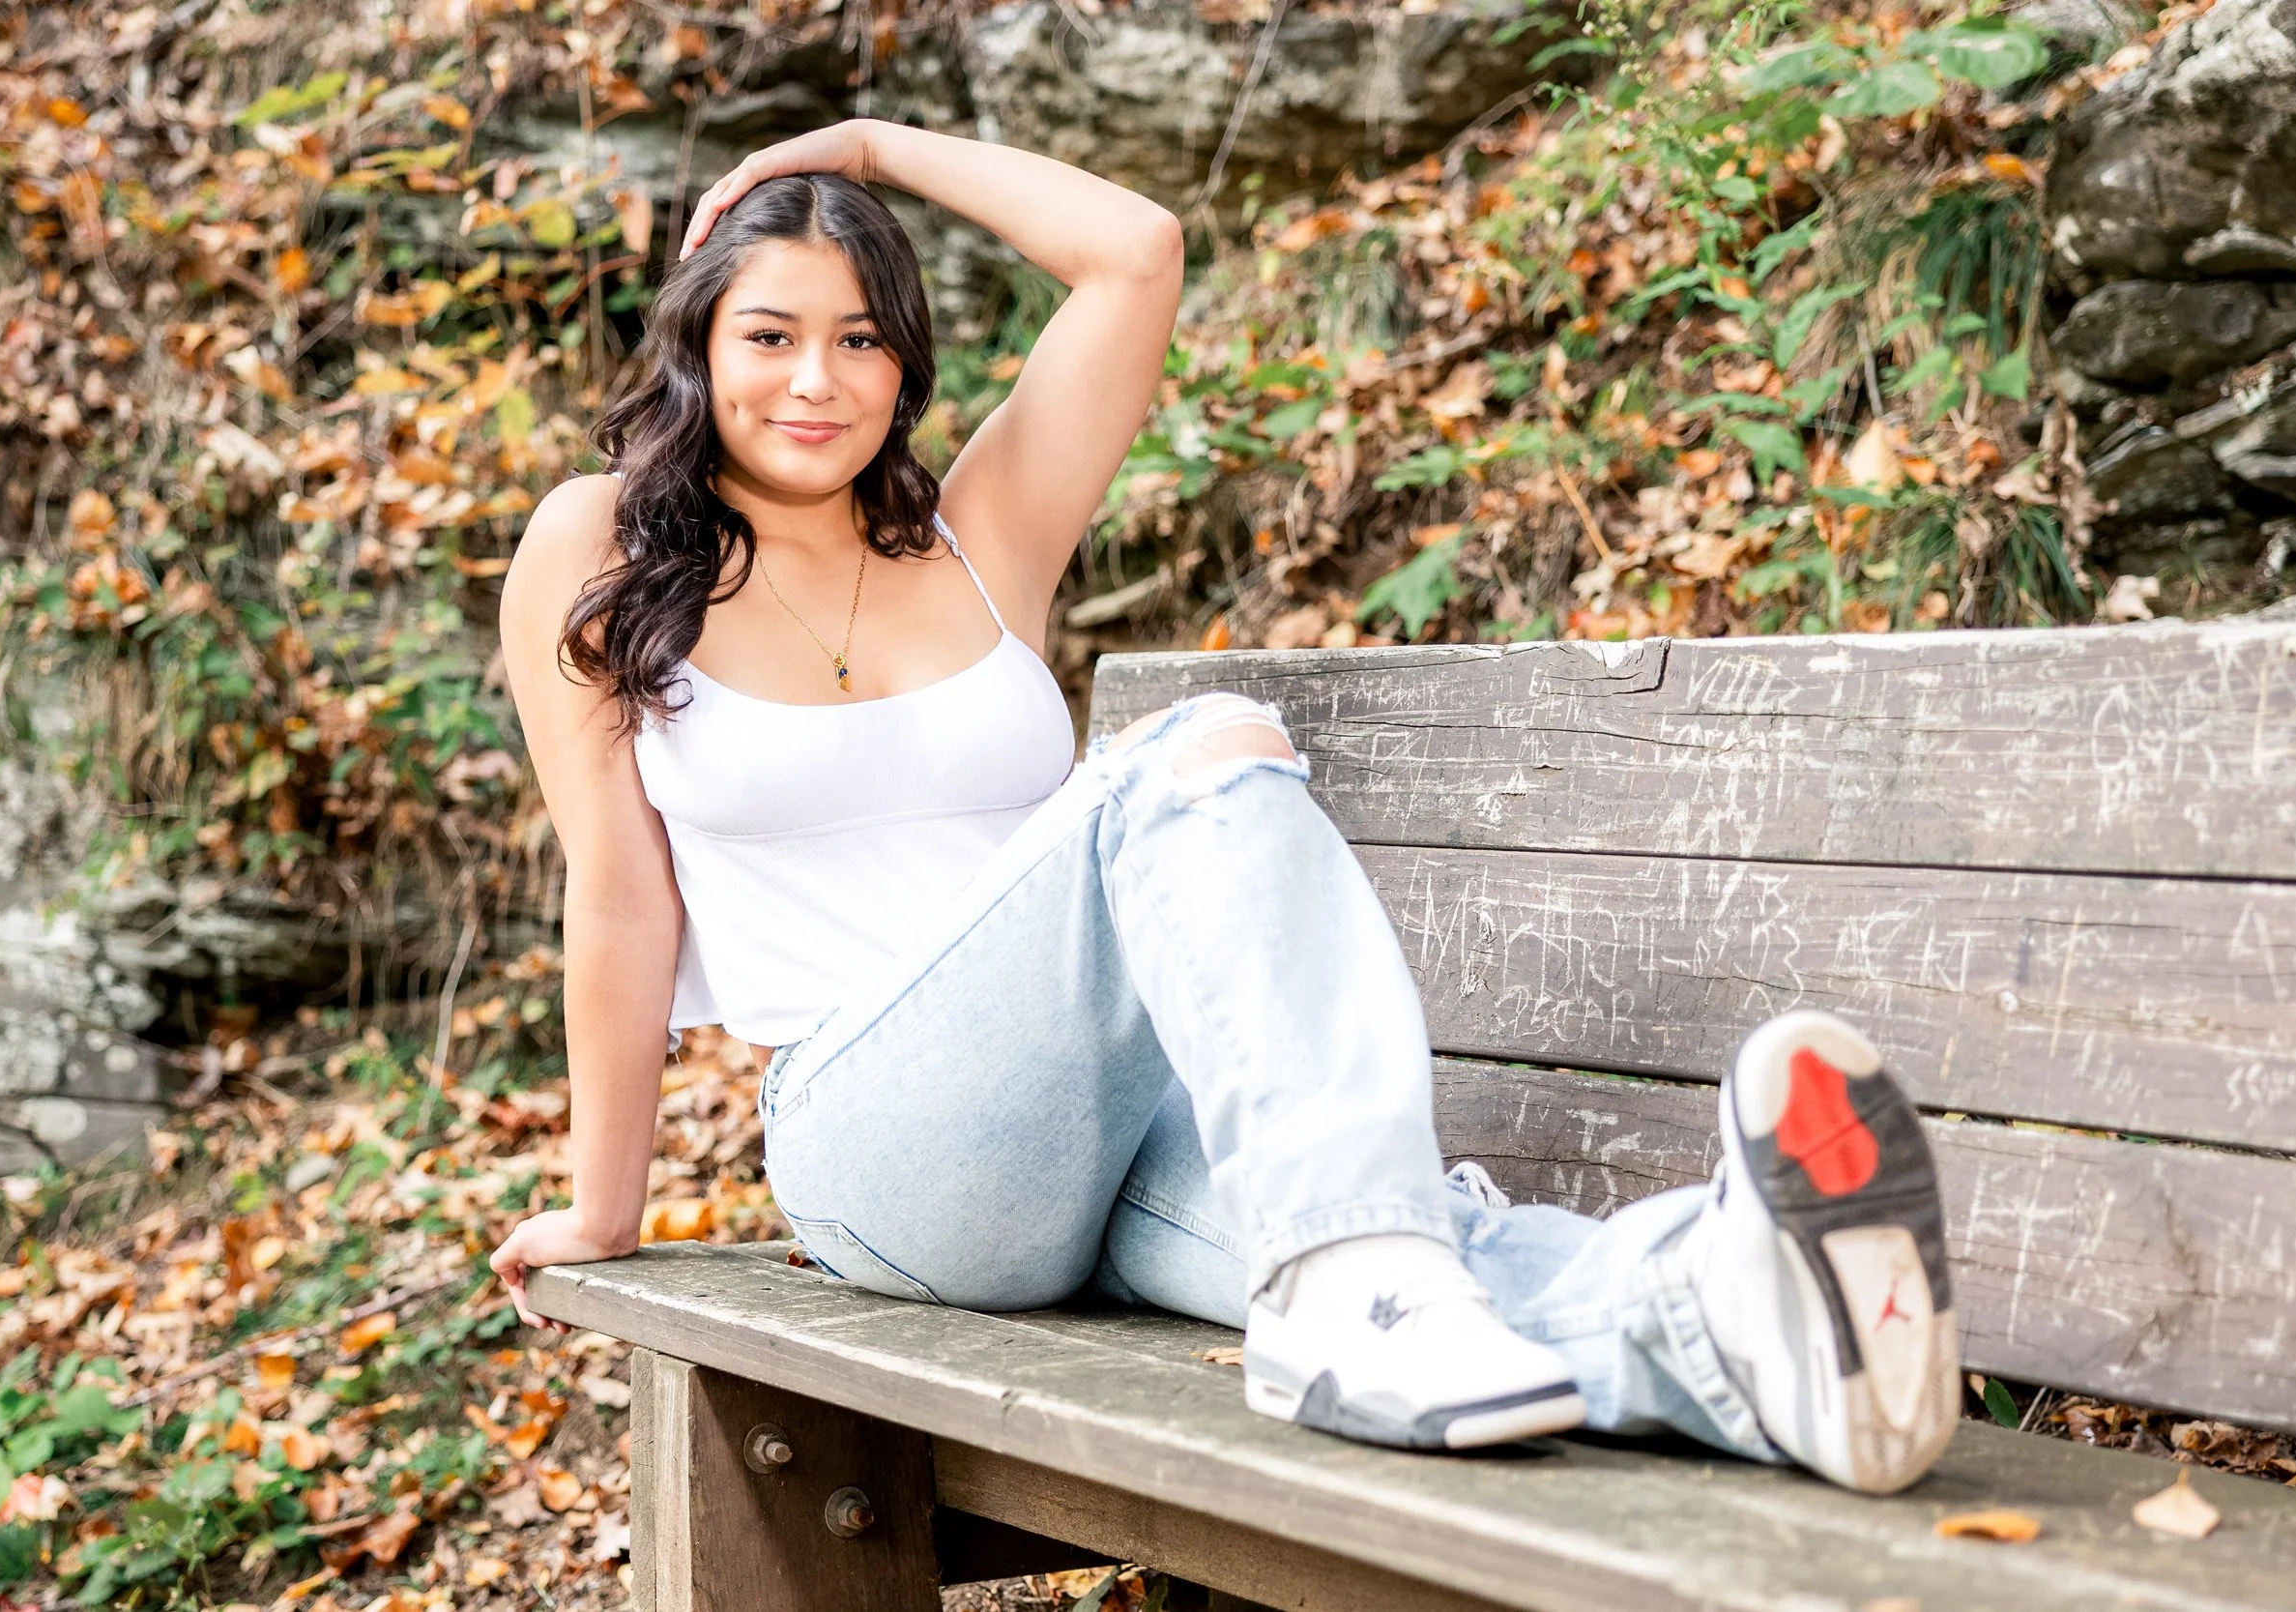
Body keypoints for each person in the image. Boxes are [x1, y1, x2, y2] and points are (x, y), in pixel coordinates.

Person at [487, 117, 1961, 1494]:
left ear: (904, 364)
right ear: (698, 346)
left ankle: (1739, 1327)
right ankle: (1376, 1294)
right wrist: (602, 1210)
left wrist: (870, 146)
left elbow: (1135, 249)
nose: (817, 379)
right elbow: (618, 892)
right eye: (773, 335)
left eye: (859, 338)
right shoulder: (599, 545)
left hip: (1116, 1122)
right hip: (879, 1147)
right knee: (1198, 749)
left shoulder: (981, 532)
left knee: (1389, 1241)